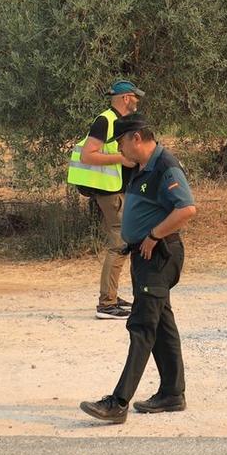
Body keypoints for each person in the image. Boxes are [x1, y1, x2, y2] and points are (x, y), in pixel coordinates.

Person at [82, 113, 198, 423]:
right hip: (144, 256)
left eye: (121, 142)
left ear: (136, 138)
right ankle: (173, 394)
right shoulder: (142, 167)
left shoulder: (164, 165)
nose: (120, 150)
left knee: (142, 326)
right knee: (161, 325)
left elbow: (186, 208)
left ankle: (118, 403)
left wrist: (153, 235)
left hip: (159, 255)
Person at [67, 80, 145, 320]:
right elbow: (87, 155)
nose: (137, 102)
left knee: (121, 241)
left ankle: (112, 295)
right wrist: (120, 160)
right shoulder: (105, 120)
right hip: (108, 191)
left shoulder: (116, 121)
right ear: (125, 98)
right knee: (120, 242)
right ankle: (107, 304)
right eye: (135, 97)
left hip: (116, 190)